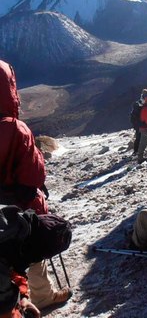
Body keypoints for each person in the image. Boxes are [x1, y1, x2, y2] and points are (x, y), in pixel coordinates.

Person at [0, 59, 72, 310]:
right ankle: (42, 296)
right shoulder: (16, 130)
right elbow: (34, 175)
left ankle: (10, 299)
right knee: (31, 251)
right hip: (20, 205)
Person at [0, 205, 72, 318]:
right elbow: (6, 313)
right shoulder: (4, 262)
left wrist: (24, 297)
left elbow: (16, 269)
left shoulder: (12, 226)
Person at [132, 89, 147, 155]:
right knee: (139, 137)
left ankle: (139, 151)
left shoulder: (141, 103)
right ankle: (137, 151)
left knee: (141, 137)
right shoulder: (140, 104)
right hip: (139, 123)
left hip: (140, 123)